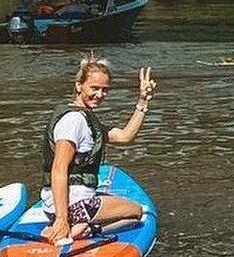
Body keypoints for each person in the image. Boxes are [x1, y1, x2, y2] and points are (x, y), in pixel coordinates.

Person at [42, 55, 157, 242]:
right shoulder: (74, 121)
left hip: (54, 207)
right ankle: (85, 228)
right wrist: (62, 220)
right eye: (94, 88)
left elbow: (124, 137)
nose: (100, 95)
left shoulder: (84, 118)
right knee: (136, 212)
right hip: (73, 208)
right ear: (79, 86)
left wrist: (143, 101)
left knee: (111, 202)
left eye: (105, 90)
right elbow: (59, 169)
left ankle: (78, 223)